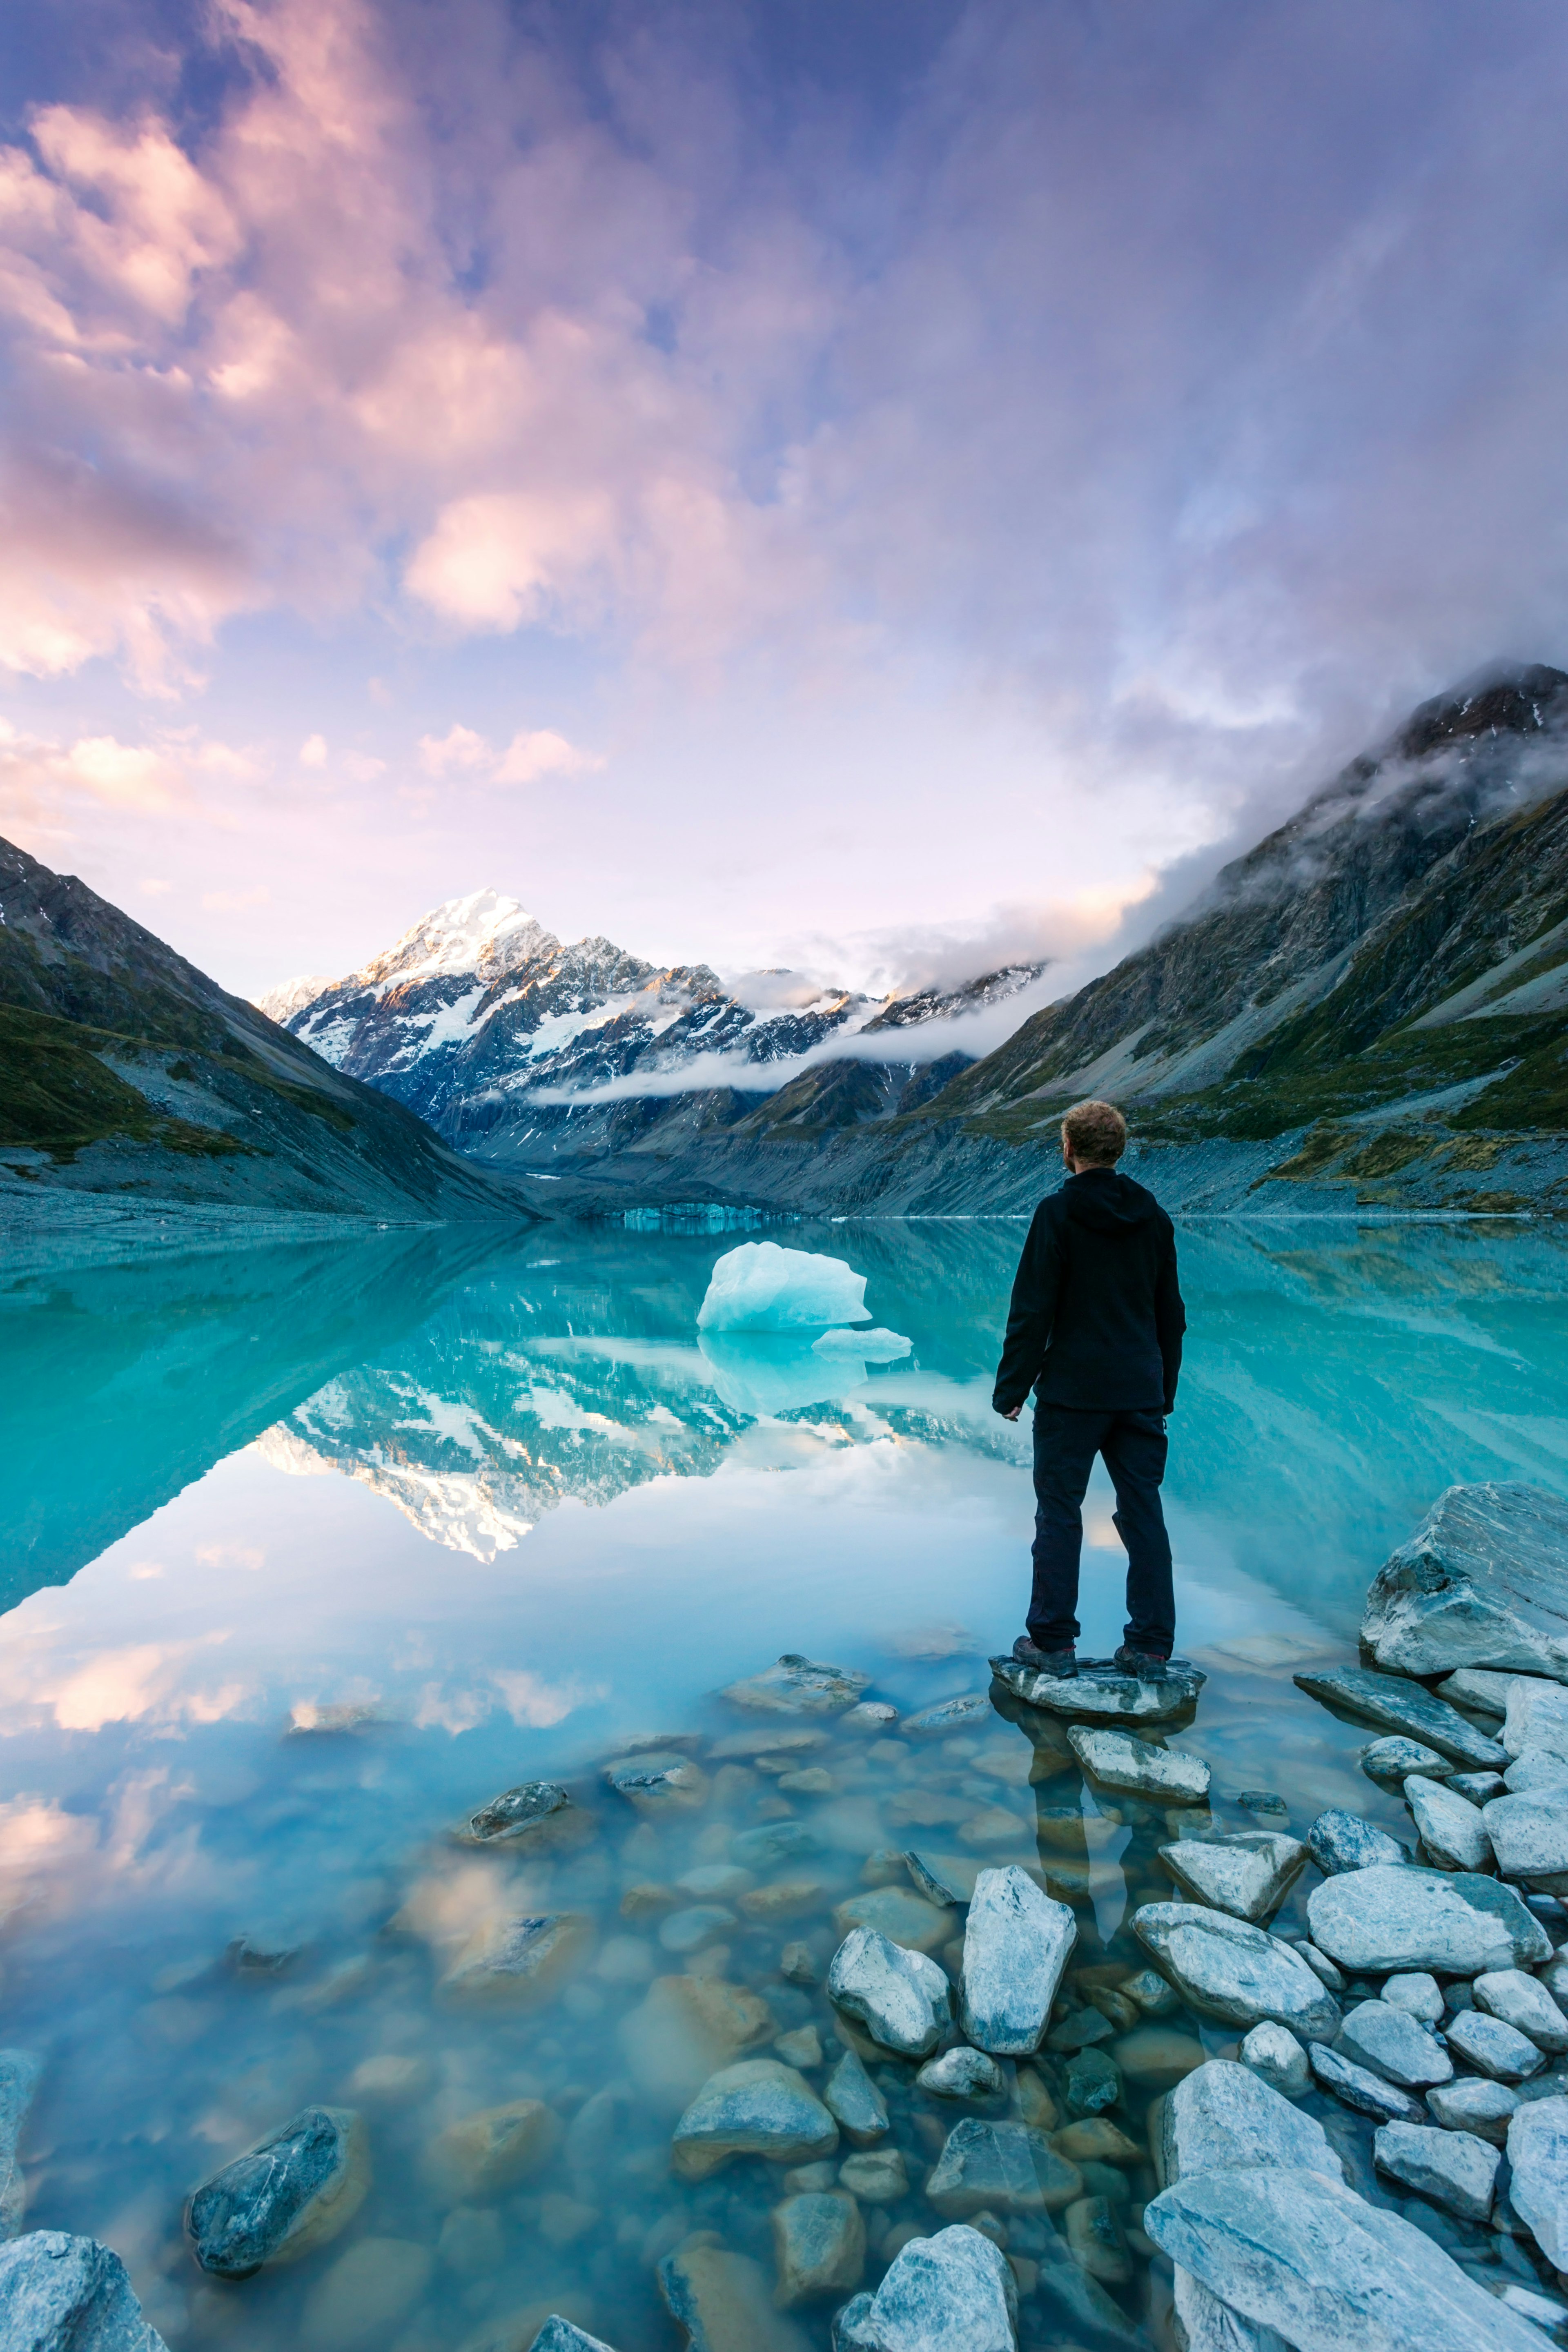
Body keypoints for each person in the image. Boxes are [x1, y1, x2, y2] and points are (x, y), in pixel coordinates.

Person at [992, 1097, 1185, 1679]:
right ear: (1119, 1150)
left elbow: (1033, 1308)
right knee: (1143, 1511)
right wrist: (1163, 1389)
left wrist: (1012, 1389)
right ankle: (1150, 1647)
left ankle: (1052, 1642)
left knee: (1059, 1513)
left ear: (1068, 1149)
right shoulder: (1152, 1215)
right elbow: (1169, 1313)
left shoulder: (1057, 1211)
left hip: (1073, 1394)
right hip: (1138, 1391)